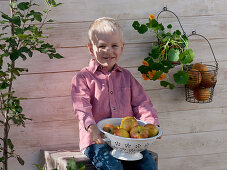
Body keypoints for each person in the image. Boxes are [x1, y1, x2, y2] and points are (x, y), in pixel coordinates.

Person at [71, 17, 160, 170]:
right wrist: (92, 129)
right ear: (91, 49)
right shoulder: (83, 78)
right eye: (102, 46)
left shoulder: (127, 77)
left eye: (114, 45)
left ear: (122, 48)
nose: (108, 51)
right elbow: (82, 108)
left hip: (128, 140)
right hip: (97, 141)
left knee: (148, 164)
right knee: (113, 167)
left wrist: (152, 124)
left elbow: (142, 103)